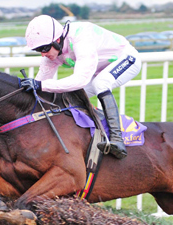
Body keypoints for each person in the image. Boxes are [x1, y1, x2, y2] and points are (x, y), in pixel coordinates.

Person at [21, 15, 142, 160]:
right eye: (38, 50)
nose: (43, 54)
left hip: (127, 59)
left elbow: (80, 80)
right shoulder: (52, 52)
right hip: (99, 69)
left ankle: (117, 139)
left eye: (44, 48)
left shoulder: (81, 36)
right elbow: (40, 84)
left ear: (58, 39)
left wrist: (41, 85)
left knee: (100, 84)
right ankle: (96, 132)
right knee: (68, 98)